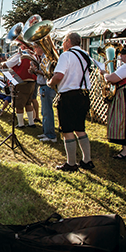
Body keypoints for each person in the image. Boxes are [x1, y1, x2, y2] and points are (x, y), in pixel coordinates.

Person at [48, 32, 94, 172]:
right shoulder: (86, 55)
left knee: (67, 131)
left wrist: (50, 82)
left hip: (69, 96)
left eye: (63, 41)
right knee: (80, 129)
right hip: (84, 95)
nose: (62, 45)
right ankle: (87, 160)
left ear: (68, 41)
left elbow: (59, 75)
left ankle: (71, 163)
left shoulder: (66, 55)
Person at [1, 43, 37, 128]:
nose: (18, 47)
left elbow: (7, 65)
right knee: (28, 103)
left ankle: (21, 124)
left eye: (20, 45)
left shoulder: (19, 55)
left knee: (18, 104)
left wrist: (4, 62)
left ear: (24, 46)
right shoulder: (33, 56)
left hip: (21, 82)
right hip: (32, 82)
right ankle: (31, 123)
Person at [32, 43, 57, 142]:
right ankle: (47, 132)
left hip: (46, 87)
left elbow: (49, 73)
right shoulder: (42, 57)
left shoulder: (46, 57)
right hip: (44, 87)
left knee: (47, 112)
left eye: (35, 47)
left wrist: (36, 71)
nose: (34, 49)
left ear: (40, 48)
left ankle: (50, 135)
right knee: (44, 112)